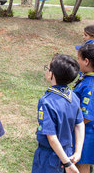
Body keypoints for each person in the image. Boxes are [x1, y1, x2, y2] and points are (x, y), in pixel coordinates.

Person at [32, 54, 85, 173]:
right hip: (67, 153)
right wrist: (77, 152)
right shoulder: (73, 97)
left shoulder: (47, 102)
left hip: (49, 157)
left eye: (48, 69)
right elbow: (80, 124)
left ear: (52, 74)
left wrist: (66, 162)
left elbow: (52, 138)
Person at [73, 44, 94, 173]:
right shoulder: (86, 79)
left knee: (82, 166)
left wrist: (70, 127)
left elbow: (87, 115)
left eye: (79, 58)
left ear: (86, 61)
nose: (78, 62)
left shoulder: (90, 86)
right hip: (82, 132)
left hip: (86, 135)